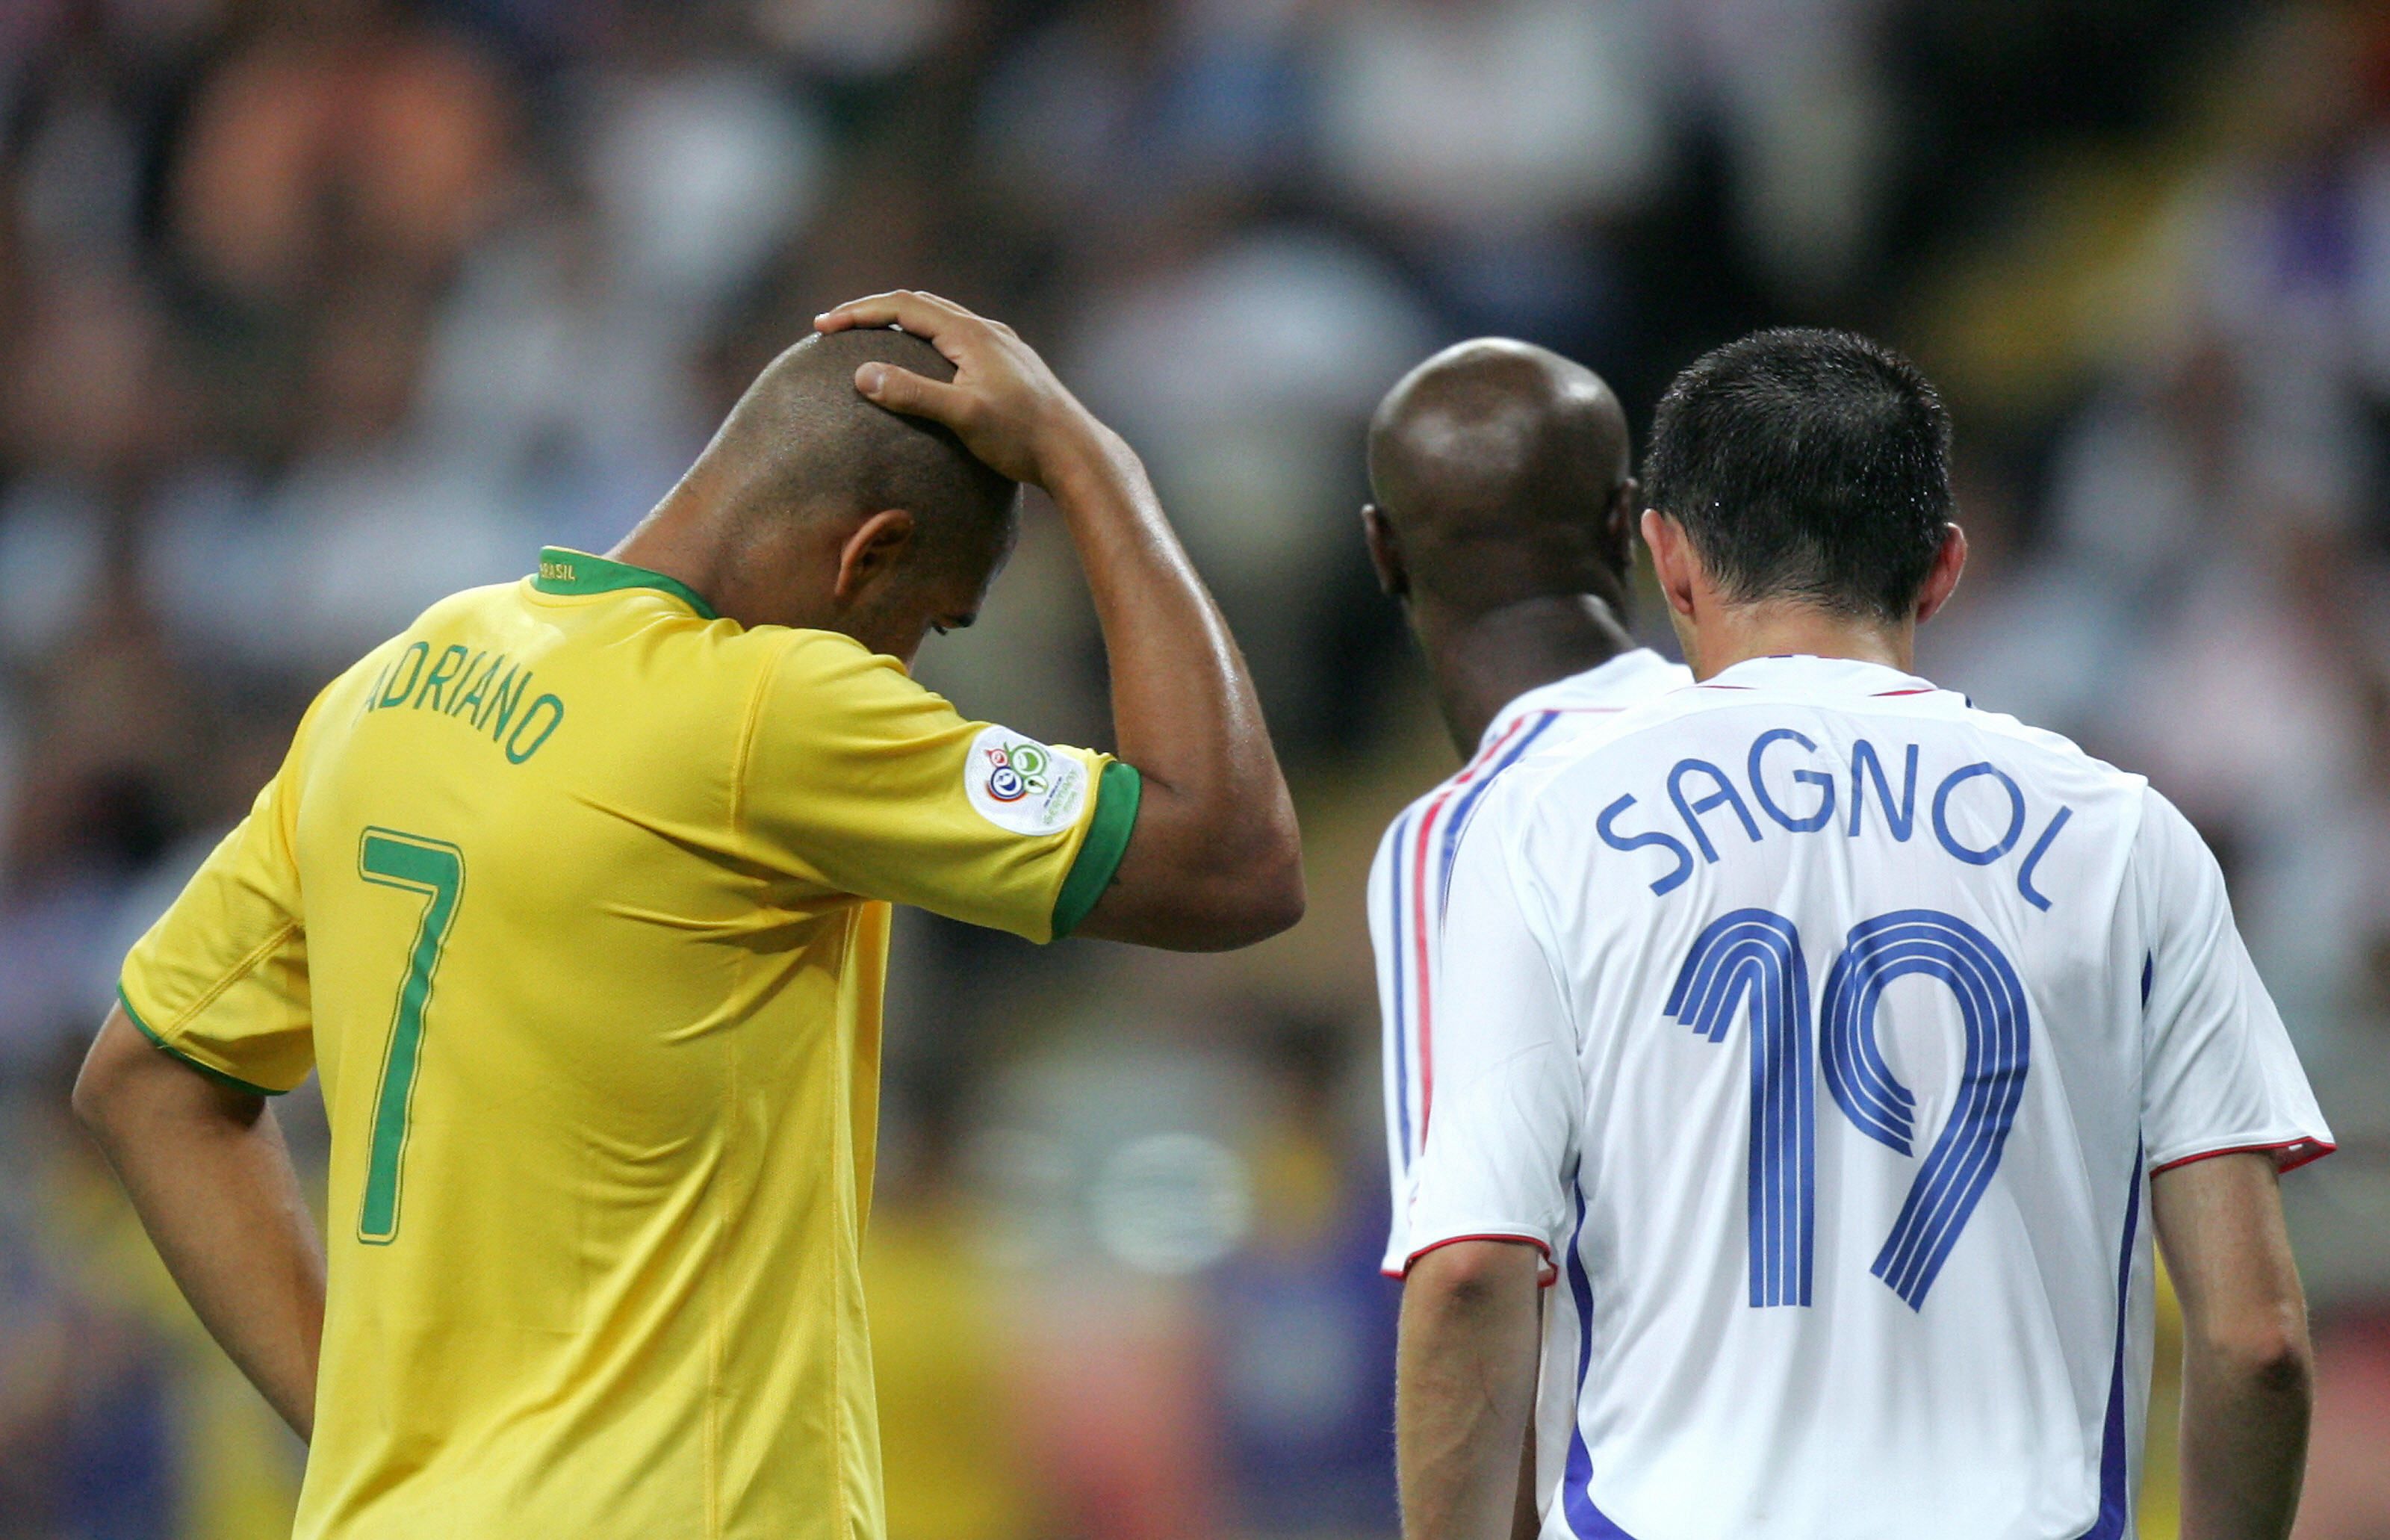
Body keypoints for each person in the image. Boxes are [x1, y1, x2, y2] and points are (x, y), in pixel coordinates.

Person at [70, 291, 1304, 1540]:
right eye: (930, 621)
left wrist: (368, 1443)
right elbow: (1231, 856)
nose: (911, 672)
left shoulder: (389, 688)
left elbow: (146, 1078)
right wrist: (1098, 464)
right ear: (865, 555)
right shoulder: (768, 711)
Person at [1394, 329, 2331, 1540]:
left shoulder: (1540, 831)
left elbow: (1470, 1271)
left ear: (1668, 562)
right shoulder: (2126, 838)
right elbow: (2257, 1340)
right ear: (1942, 571)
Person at [1365, 338, 1688, 1279]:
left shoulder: (1471, 832)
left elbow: (1470, 1263)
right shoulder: (1763, 753)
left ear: (1381, 551)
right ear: (1625, 521)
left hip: (1617, 1417)